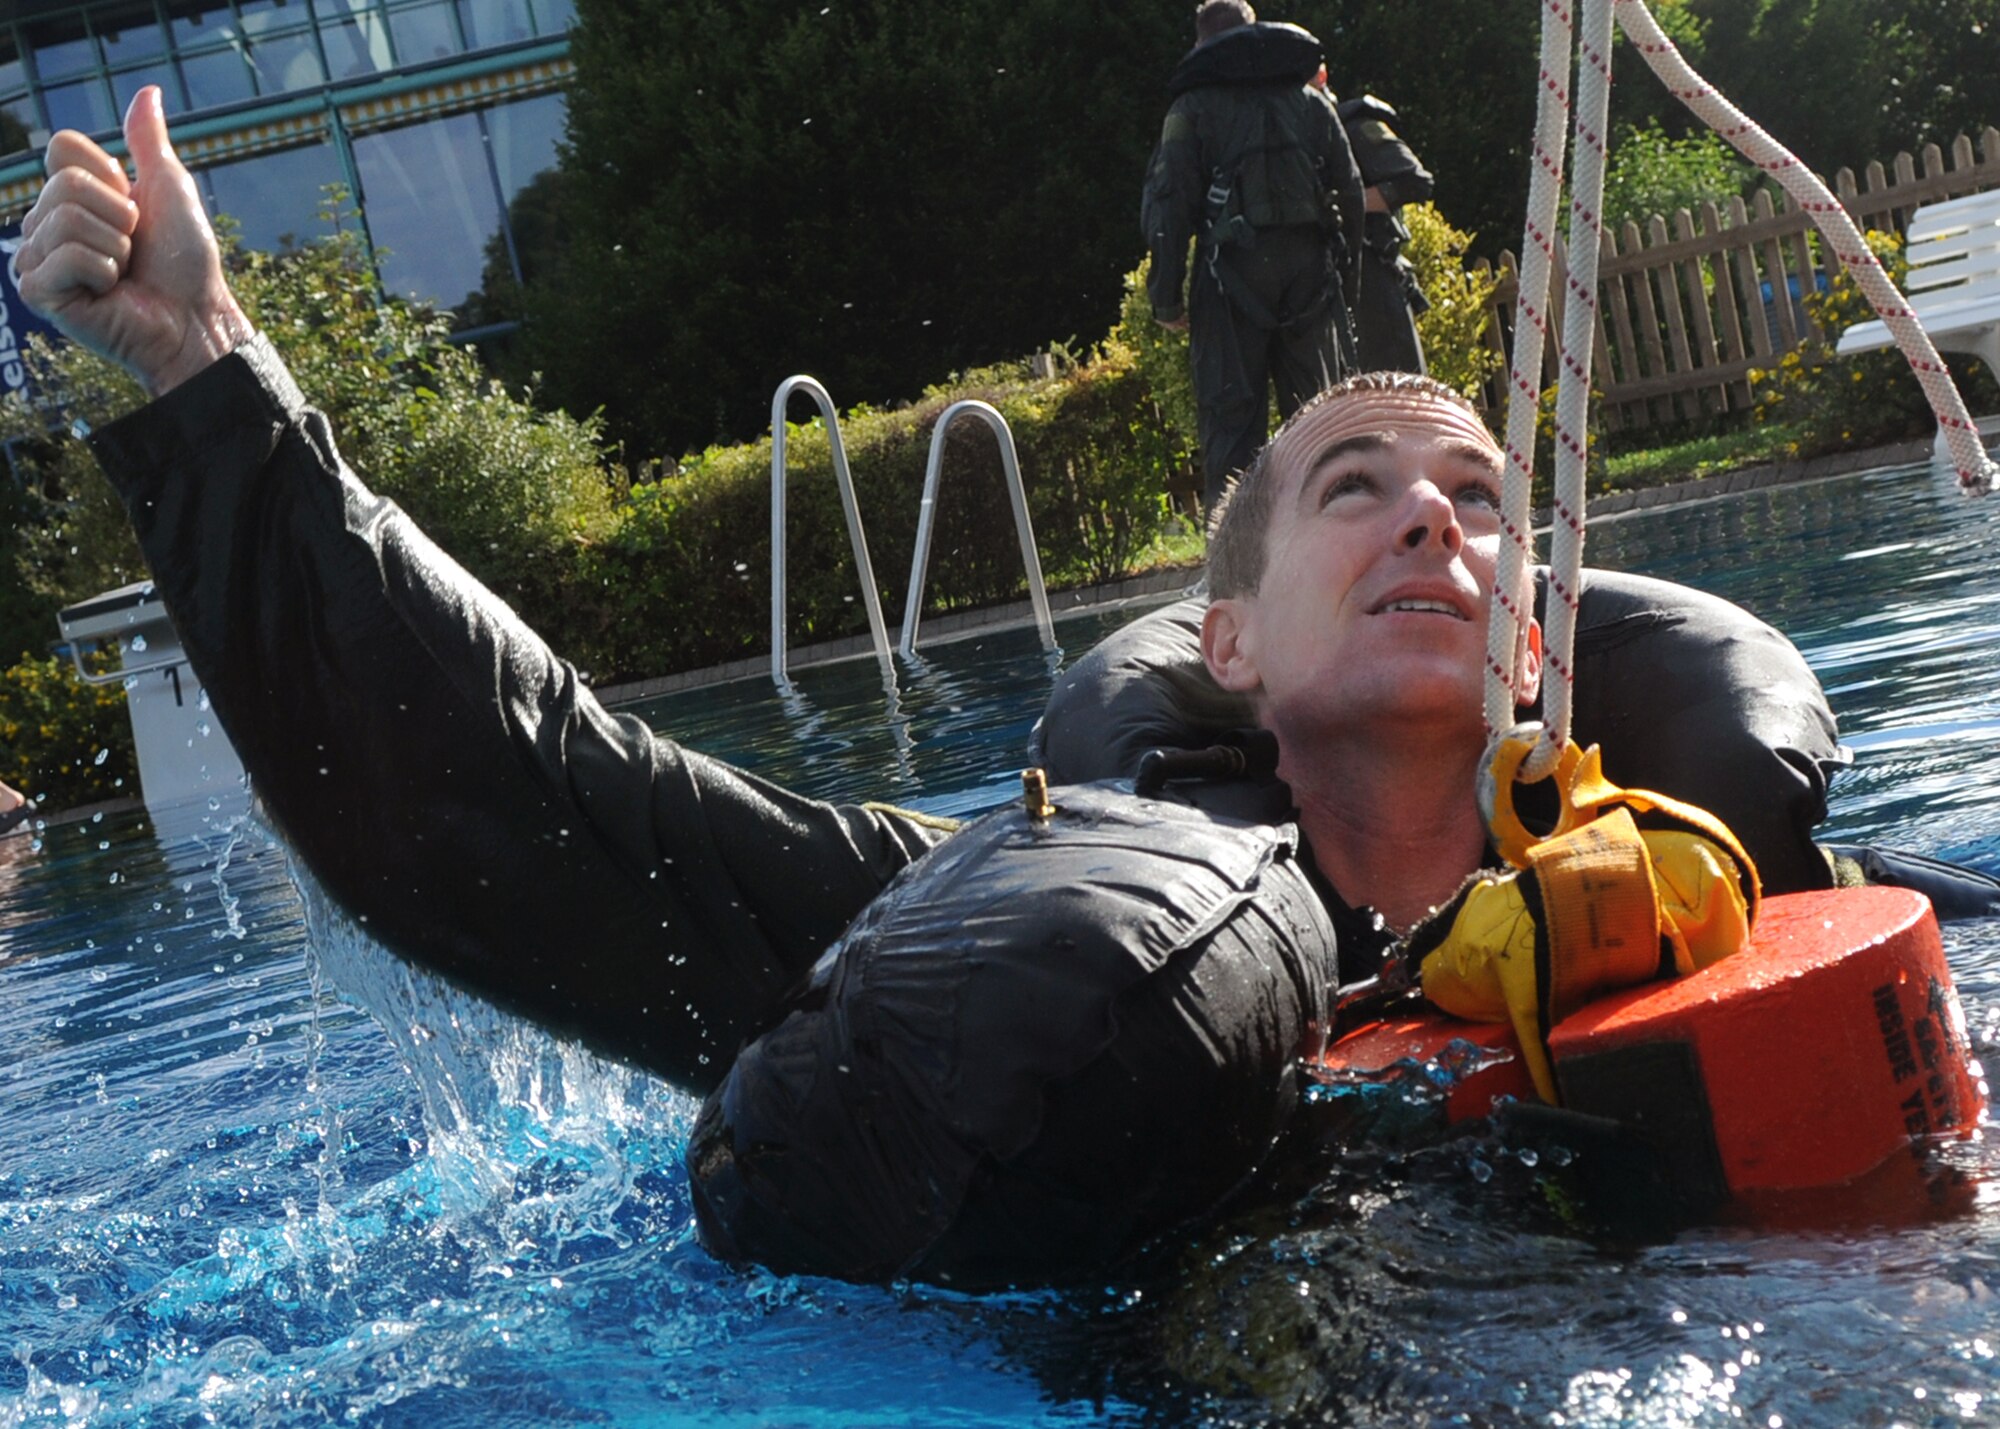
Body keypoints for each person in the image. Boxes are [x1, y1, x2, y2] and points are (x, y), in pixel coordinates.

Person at [24, 93, 1990, 1287]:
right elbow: (519, 802)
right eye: (1352, 486)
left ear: (1543, 652)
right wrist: (204, 364)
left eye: (1478, 500)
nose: (1431, 525)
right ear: (1225, 645)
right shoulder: (1004, 920)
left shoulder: (1802, 903)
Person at [1140, 0, 1366, 511]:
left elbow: (1169, 207)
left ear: (1201, 44)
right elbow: (1350, 192)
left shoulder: (1190, 109)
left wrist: (1166, 299)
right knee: (1320, 424)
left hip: (1228, 284)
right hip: (1312, 283)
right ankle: (1337, 543)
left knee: (1231, 426)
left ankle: (1234, 568)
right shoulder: (1312, 102)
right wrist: (1344, 286)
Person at [1337, 94, 1433, 374]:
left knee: (1400, 394)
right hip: (1333, 289)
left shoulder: (1353, 125)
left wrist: (1346, 205)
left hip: (1374, 281)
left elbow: (1414, 182)